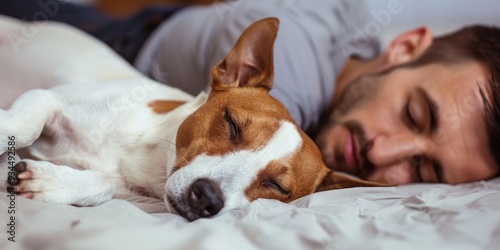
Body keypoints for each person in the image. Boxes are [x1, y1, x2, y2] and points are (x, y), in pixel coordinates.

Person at [1, 0, 499, 185]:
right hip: (106, 37)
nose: (383, 152)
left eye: (424, 169)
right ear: (407, 45)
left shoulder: (355, 33)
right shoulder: (290, 78)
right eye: (414, 114)